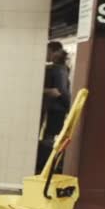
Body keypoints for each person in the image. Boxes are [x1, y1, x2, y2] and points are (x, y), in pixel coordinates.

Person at [37, 42, 71, 173]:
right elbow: (63, 91)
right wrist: (69, 106)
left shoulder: (56, 69)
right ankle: (49, 163)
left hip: (53, 107)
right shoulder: (61, 69)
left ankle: (46, 163)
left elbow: (61, 90)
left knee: (49, 136)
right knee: (51, 135)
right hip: (57, 108)